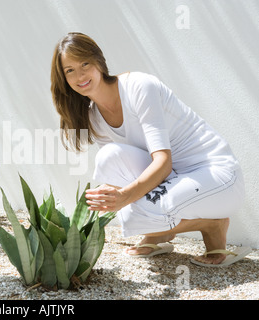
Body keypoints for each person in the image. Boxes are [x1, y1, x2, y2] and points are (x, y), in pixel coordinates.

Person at [50, 32, 251, 267]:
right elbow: (121, 168)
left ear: (99, 62)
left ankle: (212, 224)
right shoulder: (94, 117)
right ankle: (160, 232)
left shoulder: (138, 86)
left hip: (217, 176)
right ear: (63, 79)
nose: (80, 75)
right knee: (109, 162)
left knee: (138, 213)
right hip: (175, 179)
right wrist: (109, 197)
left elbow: (163, 162)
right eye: (70, 70)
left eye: (85, 63)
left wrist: (125, 197)